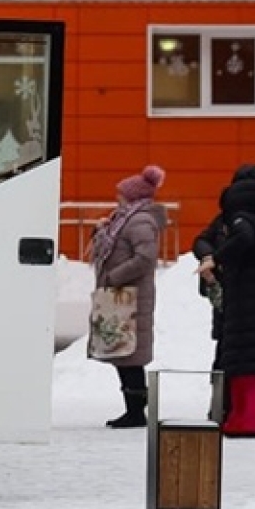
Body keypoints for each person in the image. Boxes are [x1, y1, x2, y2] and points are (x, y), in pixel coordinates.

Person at [194, 164, 255, 431]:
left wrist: (223, 256)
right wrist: (211, 256)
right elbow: (200, 241)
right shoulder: (227, 218)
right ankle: (223, 406)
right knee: (227, 352)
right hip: (230, 295)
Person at [89, 166, 167, 429]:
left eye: (121, 194)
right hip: (121, 296)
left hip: (130, 297)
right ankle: (132, 410)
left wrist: (114, 276)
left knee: (129, 356)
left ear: (133, 196)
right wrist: (101, 231)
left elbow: (145, 258)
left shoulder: (140, 221)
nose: (117, 198)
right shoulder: (124, 219)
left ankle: (136, 412)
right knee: (123, 354)